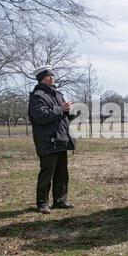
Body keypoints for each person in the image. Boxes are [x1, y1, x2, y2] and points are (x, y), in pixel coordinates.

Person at [28, 65, 78, 214]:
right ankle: (42, 203)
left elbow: (62, 116)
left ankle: (60, 200)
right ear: (41, 79)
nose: (52, 78)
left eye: (52, 75)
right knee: (47, 173)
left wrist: (71, 112)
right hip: (47, 141)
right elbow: (40, 117)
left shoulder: (57, 94)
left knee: (62, 173)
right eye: (48, 76)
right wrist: (60, 109)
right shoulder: (37, 96)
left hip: (61, 139)